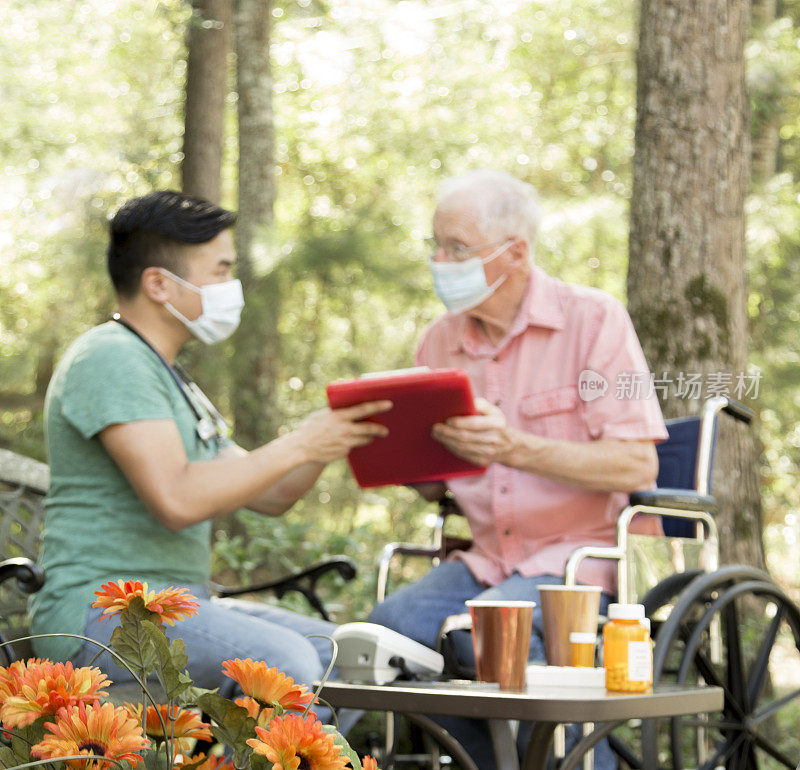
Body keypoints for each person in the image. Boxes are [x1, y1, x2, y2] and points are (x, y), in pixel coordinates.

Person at [30, 191, 390, 698]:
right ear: (158, 283)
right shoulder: (110, 358)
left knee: (344, 656)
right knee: (285, 662)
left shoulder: (171, 379)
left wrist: (328, 439)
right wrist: (303, 441)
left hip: (180, 603)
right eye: (220, 271)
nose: (231, 286)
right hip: (99, 612)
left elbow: (272, 493)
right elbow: (176, 500)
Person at [368, 169, 668, 768]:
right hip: (487, 560)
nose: (438, 259)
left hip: (581, 563)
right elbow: (440, 481)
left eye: (456, 247)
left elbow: (637, 461)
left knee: (479, 635)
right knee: (391, 632)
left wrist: (512, 447)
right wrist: (394, 452)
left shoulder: (594, 321)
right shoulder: (438, 341)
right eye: (436, 244)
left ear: (517, 254)